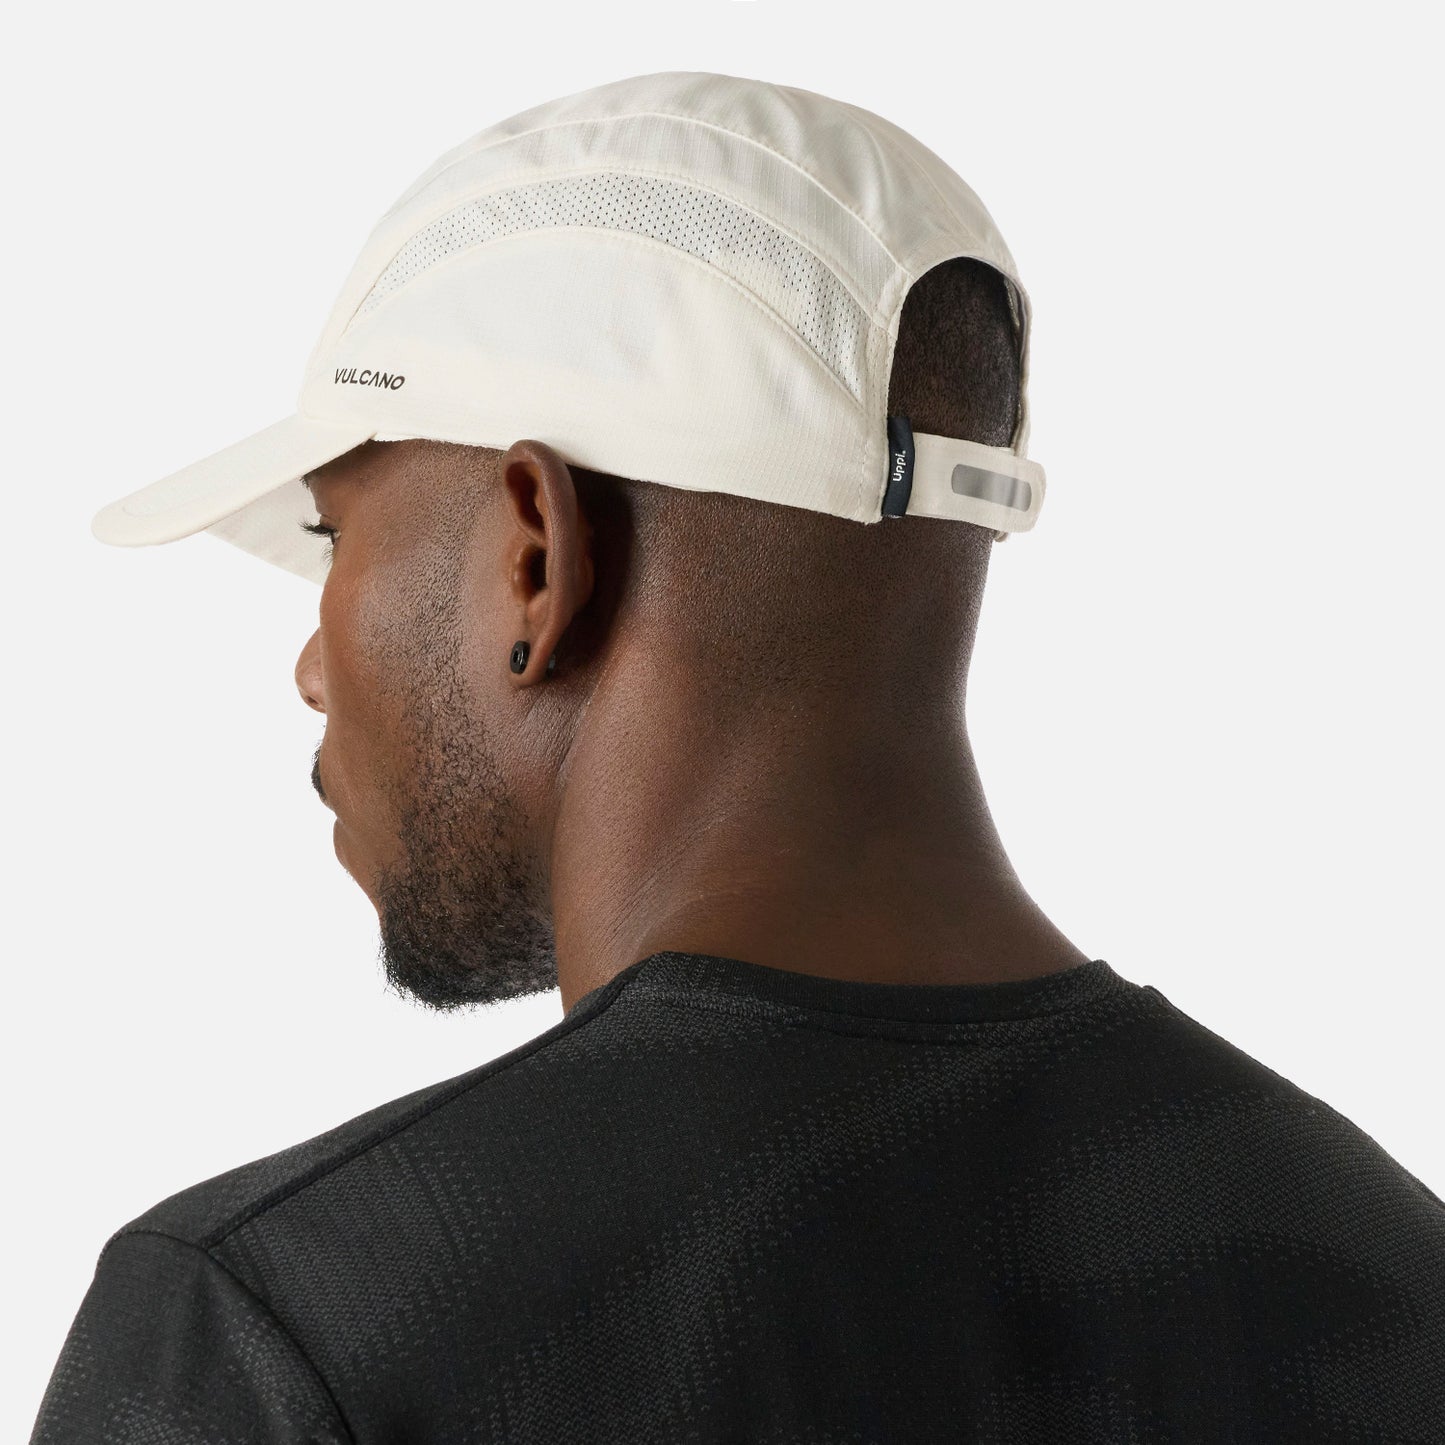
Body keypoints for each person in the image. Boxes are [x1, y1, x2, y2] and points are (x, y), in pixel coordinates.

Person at [32, 71, 1445, 1443]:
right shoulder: (1392, 1269)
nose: (309, 665)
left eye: (333, 536)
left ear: (536, 555)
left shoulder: (290, 1337)